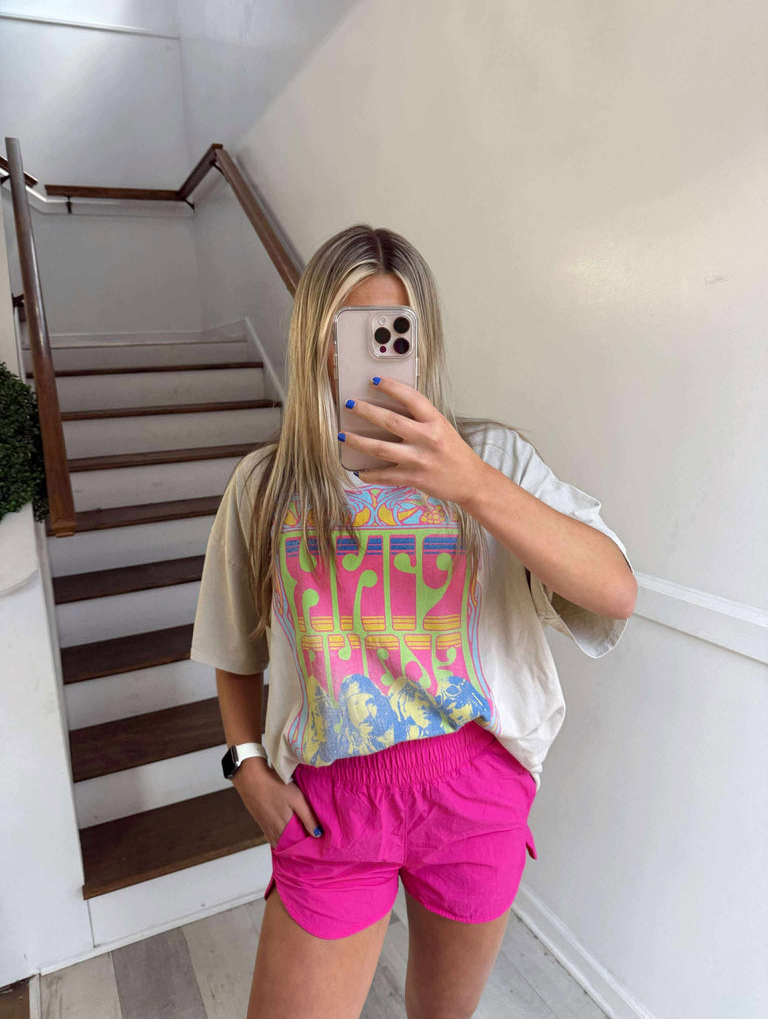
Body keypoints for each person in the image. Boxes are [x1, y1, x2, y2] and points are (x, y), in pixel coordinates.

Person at [190, 224, 637, 1019]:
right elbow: (235, 646)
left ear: (420, 340)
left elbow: (614, 591)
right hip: (333, 801)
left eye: (393, 331)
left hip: (474, 787)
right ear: (316, 339)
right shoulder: (265, 485)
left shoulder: (493, 459)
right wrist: (245, 766)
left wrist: (470, 484)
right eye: (352, 330)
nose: (374, 353)